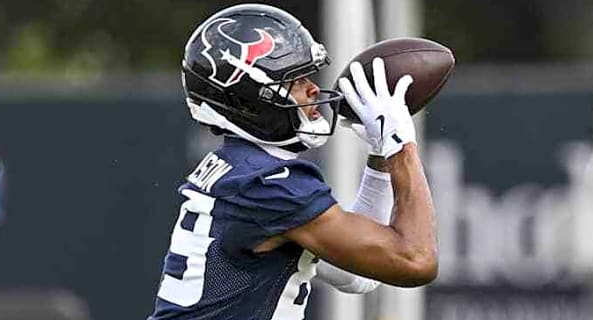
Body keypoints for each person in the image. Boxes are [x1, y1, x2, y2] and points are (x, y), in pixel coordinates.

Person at [148, 3, 437, 319]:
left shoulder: (241, 173)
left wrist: (381, 156)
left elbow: (359, 276)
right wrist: (401, 145)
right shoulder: (267, 186)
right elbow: (416, 261)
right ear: (248, 98)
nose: (313, 89)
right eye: (295, 80)